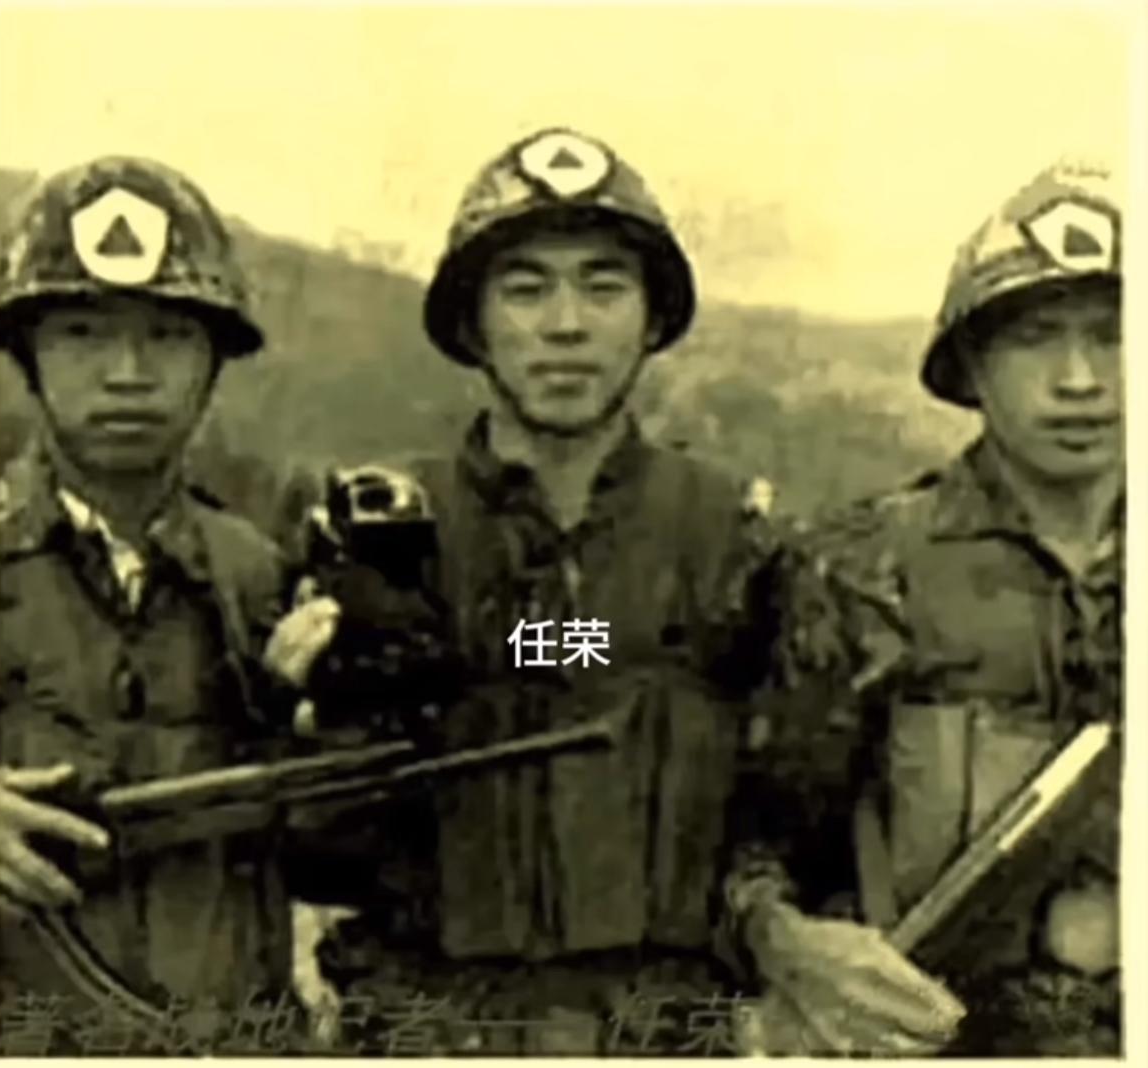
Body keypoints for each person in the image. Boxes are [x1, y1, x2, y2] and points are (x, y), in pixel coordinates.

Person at [265, 127, 961, 1055]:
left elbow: (803, 815)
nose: (566, 325)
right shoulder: (380, 532)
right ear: (472, 324)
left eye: (603, 287)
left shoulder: (733, 541)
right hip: (425, 1026)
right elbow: (313, 849)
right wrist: (293, 709)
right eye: (525, 289)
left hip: (670, 1028)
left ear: (651, 318)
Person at [790, 157, 1124, 1055]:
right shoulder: (861, 571)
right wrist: (789, 944)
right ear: (971, 365)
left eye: (1112, 335)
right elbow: (756, 839)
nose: (1079, 378)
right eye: (1035, 339)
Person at [0, 157, 296, 1051]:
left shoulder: (256, 574)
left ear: (212, 363)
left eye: (167, 336)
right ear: (28, 358)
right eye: (83, 333)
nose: (127, 373)